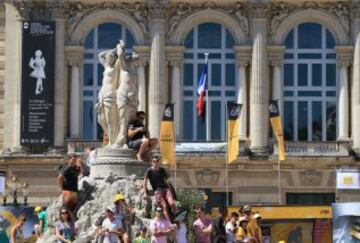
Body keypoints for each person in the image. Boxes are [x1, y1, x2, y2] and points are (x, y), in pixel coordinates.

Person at [143, 156, 175, 221]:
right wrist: (145, 193)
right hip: (158, 190)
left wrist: (170, 190)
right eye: (154, 161)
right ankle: (169, 222)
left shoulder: (162, 170)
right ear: (152, 162)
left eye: (157, 161)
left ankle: (176, 216)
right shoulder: (149, 171)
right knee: (164, 206)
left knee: (172, 203)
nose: (155, 163)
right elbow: (144, 183)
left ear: (159, 162)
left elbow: (166, 181)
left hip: (166, 189)